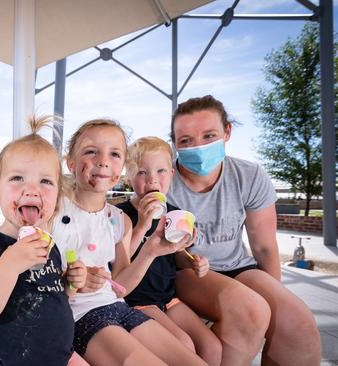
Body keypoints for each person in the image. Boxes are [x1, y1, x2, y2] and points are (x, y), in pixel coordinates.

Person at [168, 95, 321, 365]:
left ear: (227, 132)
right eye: (186, 141)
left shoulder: (249, 175)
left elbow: (263, 247)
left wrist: (277, 302)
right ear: (175, 144)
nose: (198, 147)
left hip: (238, 267)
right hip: (188, 271)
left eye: (208, 135)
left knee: (296, 319)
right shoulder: (163, 180)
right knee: (250, 310)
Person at [52, 119, 206, 365]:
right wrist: (69, 279)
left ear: (122, 168)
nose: (103, 160)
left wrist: (150, 251)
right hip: (78, 315)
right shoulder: (53, 210)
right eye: (91, 151)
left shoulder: (119, 219)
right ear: (70, 163)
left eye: (114, 154)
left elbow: (119, 286)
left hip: (118, 307)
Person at [0, 116, 88, 365]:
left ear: (58, 198)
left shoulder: (49, 246)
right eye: (17, 178)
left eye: (45, 181)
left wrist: (71, 285)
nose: (32, 190)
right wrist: (10, 263)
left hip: (59, 358)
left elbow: (53, 296)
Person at [116, 136, 221, 365]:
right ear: (128, 177)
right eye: (142, 172)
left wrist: (193, 261)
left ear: (171, 176)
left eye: (161, 171)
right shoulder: (120, 214)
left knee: (212, 348)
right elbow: (119, 262)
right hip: (135, 300)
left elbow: (177, 254)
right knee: (183, 344)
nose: (152, 179)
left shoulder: (174, 213)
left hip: (168, 296)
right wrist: (143, 223)